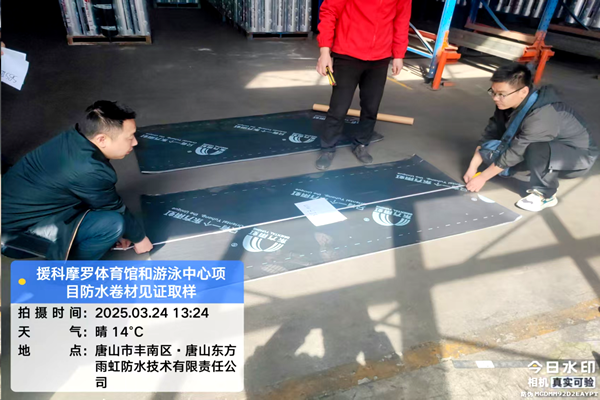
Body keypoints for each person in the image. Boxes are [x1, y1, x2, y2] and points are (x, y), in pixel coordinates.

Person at [1, 100, 154, 260]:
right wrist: (139, 239)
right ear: (102, 140)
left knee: (100, 205)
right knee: (113, 225)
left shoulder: (73, 138)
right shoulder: (90, 169)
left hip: (15, 214)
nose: (135, 142)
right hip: (16, 237)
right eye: (129, 137)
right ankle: (70, 270)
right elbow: (114, 208)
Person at [464, 63, 598, 212]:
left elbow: (517, 152)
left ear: (523, 91)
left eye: (501, 94)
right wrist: (473, 167)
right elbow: (491, 132)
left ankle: (546, 195)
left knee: (535, 149)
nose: (496, 98)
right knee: (504, 154)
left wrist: (483, 177)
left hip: (578, 157)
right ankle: (536, 167)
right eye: (493, 92)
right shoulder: (507, 103)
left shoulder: (541, 116)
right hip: (551, 145)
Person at [315, 0, 412, 170]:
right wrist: (325, 51)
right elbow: (329, 12)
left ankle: (362, 143)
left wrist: (398, 54)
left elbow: (401, 21)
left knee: (371, 106)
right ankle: (328, 148)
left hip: (380, 57)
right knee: (339, 107)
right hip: (347, 53)